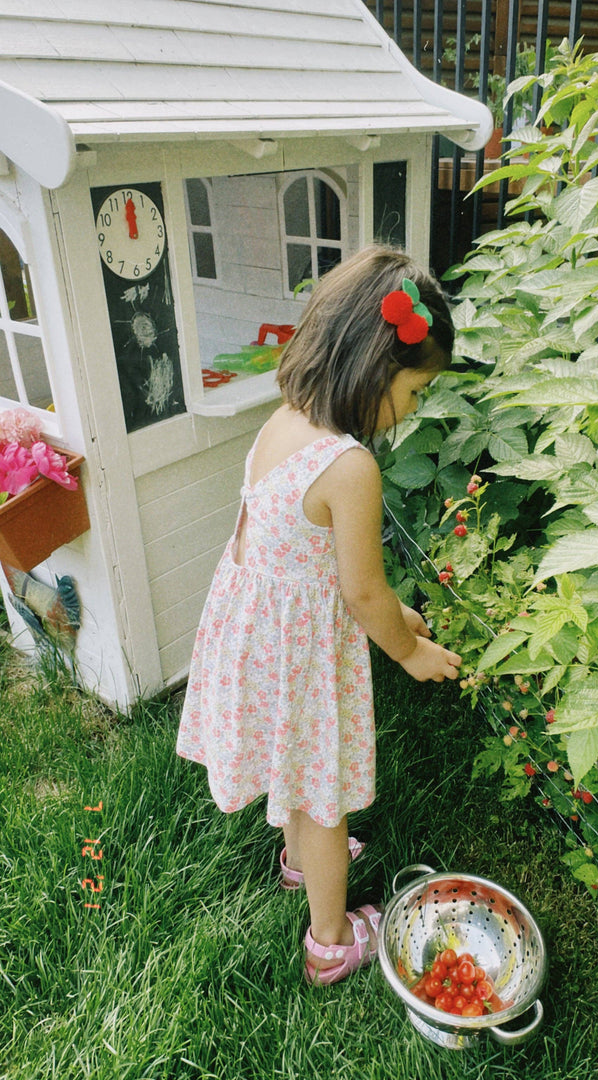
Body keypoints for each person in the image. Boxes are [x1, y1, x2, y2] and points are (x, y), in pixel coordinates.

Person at [176, 245, 462, 985]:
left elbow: (328, 565)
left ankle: (301, 861)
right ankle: (332, 941)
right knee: (324, 789)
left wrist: (391, 604)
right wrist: (409, 650)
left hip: (259, 636)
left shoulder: (285, 422)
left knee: (300, 770)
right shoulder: (351, 466)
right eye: (415, 389)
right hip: (299, 654)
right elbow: (363, 593)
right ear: (375, 371)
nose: (414, 408)